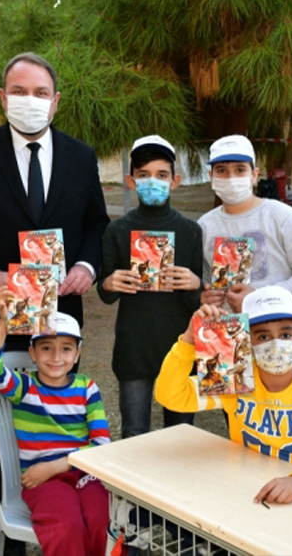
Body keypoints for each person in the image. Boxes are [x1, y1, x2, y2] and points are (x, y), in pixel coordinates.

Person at [0, 52, 109, 552]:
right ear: (1, 98)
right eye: (18, 91)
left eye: (39, 93)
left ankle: (69, 514)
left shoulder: (80, 155)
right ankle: (10, 533)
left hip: (58, 325)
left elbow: (96, 222)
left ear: (55, 101)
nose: (28, 101)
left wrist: (87, 267)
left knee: (56, 415)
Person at [155, 286, 292, 504]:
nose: (275, 344)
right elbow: (171, 396)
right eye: (262, 336)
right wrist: (188, 341)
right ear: (246, 342)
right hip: (244, 485)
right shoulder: (235, 374)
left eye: (286, 334)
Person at [0, 297, 111, 556]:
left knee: (102, 520)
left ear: (78, 354)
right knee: (66, 525)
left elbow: (101, 446)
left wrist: (56, 466)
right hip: (43, 481)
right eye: (47, 348)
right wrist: (4, 323)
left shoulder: (87, 388)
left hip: (86, 473)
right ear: (33, 353)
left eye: (66, 349)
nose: (56, 357)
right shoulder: (24, 387)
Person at [97, 135, 201, 438]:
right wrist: (109, 281)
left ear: (175, 180)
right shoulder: (116, 230)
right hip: (134, 345)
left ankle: (175, 486)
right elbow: (106, 294)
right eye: (143, 175)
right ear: (131, 181)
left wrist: (195, 283)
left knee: (180, 435)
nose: (152, 181)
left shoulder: (190, 231)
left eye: (161, 175)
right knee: (134, 432)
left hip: (180, 346)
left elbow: (198, 300)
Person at [198, 135, 292, 313]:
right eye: (221, 170)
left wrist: (258, 297)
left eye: (240, 170)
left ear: (254, 175)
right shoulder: (204, 226)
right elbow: (204, 282)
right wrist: (204, 295)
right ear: (211, 177)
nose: (231, 178)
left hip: (277, 332)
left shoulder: (282, 216)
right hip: (227, 335)